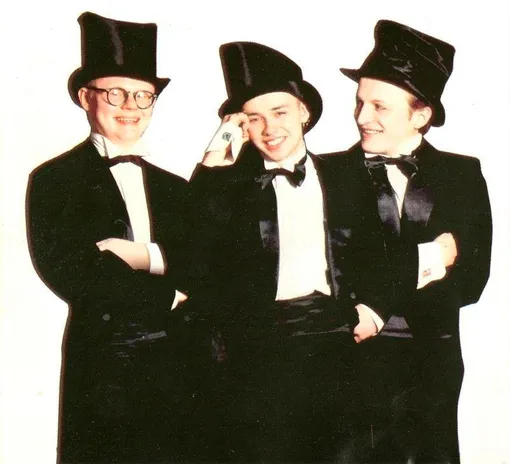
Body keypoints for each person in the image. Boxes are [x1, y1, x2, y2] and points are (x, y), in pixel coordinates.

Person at [187, 41, 391, 462]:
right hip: (256, 351)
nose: (269, 129)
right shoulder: (225, 187)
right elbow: (193, 254)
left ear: (303, 111)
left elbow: (383, 252)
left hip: (336, 341)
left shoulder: (349, 175)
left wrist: (373, 313)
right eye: (254, 119)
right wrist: (215, 154)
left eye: (279, 112)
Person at [26, 12, 205, 463]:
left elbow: (202, 260)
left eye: (143, 95)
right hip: (106, 363)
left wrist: (141, 255)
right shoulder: (54, 180)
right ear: (86, 97)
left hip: (179, 360)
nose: (131, 106)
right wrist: (170, 293)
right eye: (116, 93)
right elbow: (72, 273)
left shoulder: (175, 187)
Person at [327, 19, 492, 463]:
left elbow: (473, 279)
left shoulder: (462, 174)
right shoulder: (325, 173)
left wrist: (387, 284)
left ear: (420, 115)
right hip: (349, 361)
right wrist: (431, 257)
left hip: (432, 367)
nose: (362, 117)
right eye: (360, 102)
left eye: (379, 106)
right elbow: (334, 274)